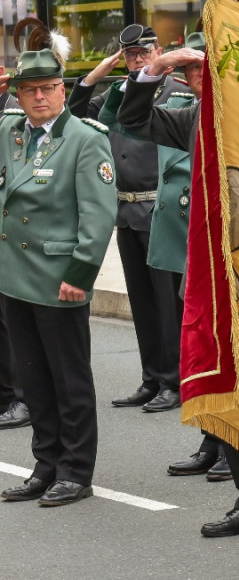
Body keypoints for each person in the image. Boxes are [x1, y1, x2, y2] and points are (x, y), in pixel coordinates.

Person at [118, 45, 239, 546]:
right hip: (210, 278)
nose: (197, 76)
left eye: (205, 67)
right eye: (189, 70)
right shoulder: (191, 118)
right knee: (228, 391)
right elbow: (132, 120)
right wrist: (155, 69)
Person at [0, 27, 118, 507]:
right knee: (32, 380)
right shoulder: (10, 132)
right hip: (14, 277)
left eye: (48, 88)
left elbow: (98, 215)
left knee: (69, 380)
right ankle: (45, 465)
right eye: (30, 90)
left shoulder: (85, 140)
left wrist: (81, 273)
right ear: (19, 94)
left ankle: (75, 470)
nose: (39, 97)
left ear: (62, 90)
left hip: (58, 278)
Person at [69, 23, 191, 414]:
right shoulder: (118, 93)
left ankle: (174, 381)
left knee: (167, 304)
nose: (137, 60)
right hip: (125, 210)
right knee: (142, 303)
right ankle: (151, 377)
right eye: (130, 55)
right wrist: (94, 76)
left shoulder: (178, 93)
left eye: (144, 53)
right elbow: (74, 118)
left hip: (162, 211)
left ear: (159, 53)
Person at [0, 85, 30, 431]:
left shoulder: (15, 116)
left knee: (14, 322)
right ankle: (6, 395)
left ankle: (23, 398)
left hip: (16, 235)